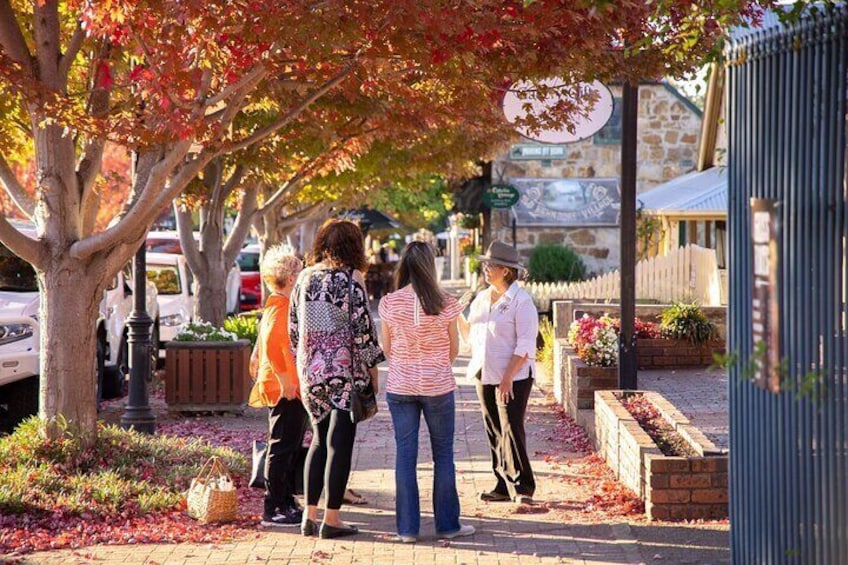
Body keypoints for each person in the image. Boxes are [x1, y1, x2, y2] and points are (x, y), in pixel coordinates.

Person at [289, 219, 385, 539]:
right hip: (343, 370)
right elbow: (363, 332)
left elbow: (293, 330)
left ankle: (309, 515)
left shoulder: (303, 278)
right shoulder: (350, 279)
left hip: (310, 370)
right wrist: (373, 373)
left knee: (317, 441)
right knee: (339, 443)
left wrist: (307, 361)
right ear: (354, 246)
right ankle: (332, 519)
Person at [379, 241, 475, 544]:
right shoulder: (445, 302)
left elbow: (387, 347)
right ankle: (447, 524)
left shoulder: (390, 302)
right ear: (431, 266)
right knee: (443, 455)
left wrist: (408, 364)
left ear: (403, 266)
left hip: (401, 386)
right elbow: (454, 347)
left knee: (405, 457)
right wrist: (435, 366)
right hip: (438, 386)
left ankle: (407, 529)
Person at [458, 240, 538, 504]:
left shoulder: (521, 301)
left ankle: (523, 487)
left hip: (513, 376)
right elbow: (471, 335)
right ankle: (502, 485)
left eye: (490, 265)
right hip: (484, 372)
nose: (485, 269)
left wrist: (507, 378)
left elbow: (526, 344)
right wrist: (455, 315)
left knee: (511, 428)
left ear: (506, 270)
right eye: (485, 264)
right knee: (493, 429)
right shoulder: (481, 298)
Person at [248, 246, 308, 527]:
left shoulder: (277, 304)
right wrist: (285, 381)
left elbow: (264, 346)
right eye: (298, 269)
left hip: (286, 385)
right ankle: (274, 507)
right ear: (291, 276)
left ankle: (284, 500)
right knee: (283, 446)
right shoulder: (282, 307)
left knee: (289, 444)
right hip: (285, 388)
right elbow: (273, 343)